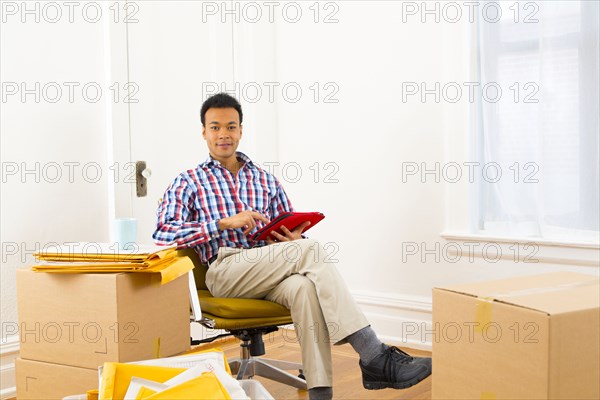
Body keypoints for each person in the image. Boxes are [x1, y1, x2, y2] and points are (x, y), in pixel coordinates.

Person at [153, 93, 432, 400]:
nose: (223, 134)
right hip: (224, 272)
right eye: (215, 127)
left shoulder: (265, 181)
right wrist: (221, 224)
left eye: (231, 127)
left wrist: (293, 240)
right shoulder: (189, 182)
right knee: (310, 252)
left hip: (267, 268)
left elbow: (287, 227)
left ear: (241, 131)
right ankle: (373, 354)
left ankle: (320, 392)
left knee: (303, 286)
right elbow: (163, 234)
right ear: (203, 132)